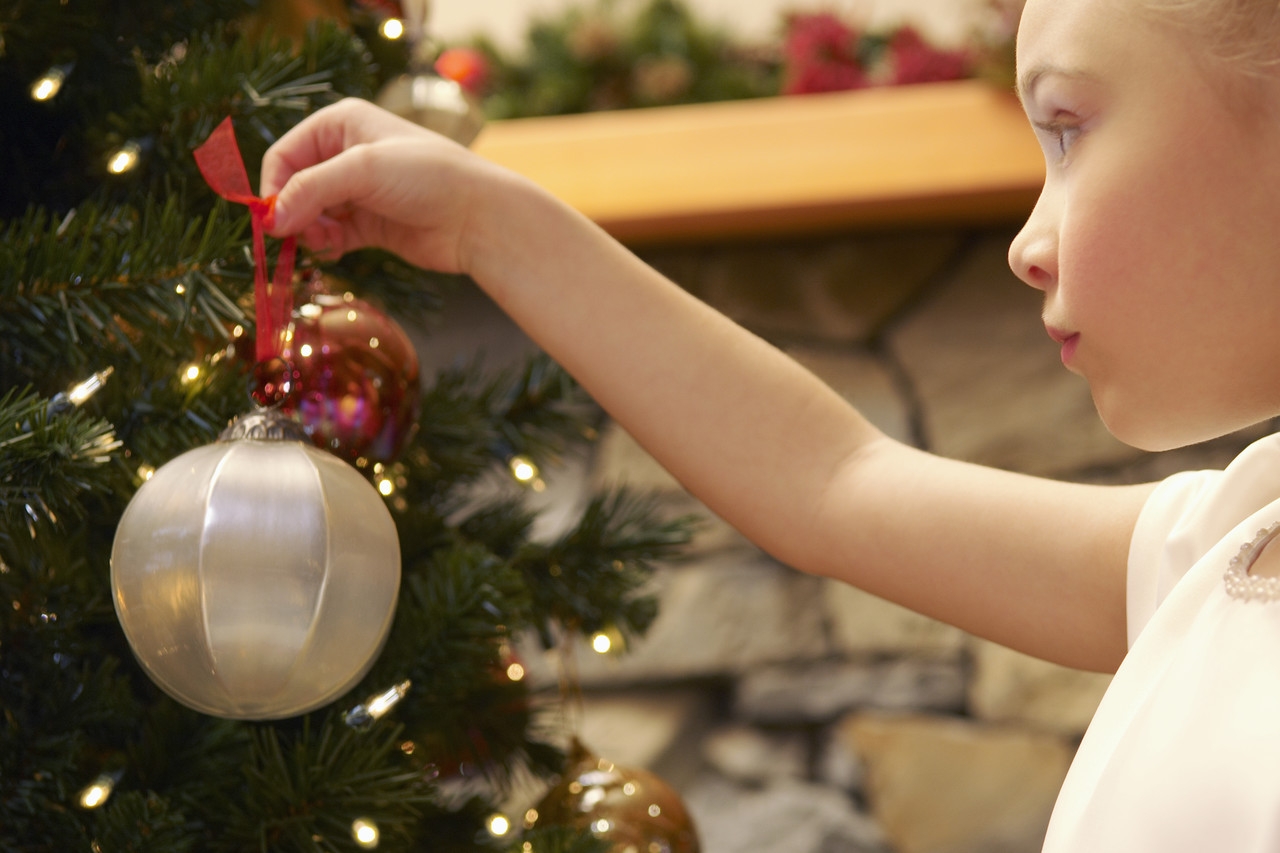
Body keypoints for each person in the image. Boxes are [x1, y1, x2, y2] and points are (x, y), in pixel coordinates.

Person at [261, 0, 1280, 848]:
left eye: (1067, 128)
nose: (1029, 243)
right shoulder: (1224, 542)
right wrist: (487, 223)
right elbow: (830, 480)